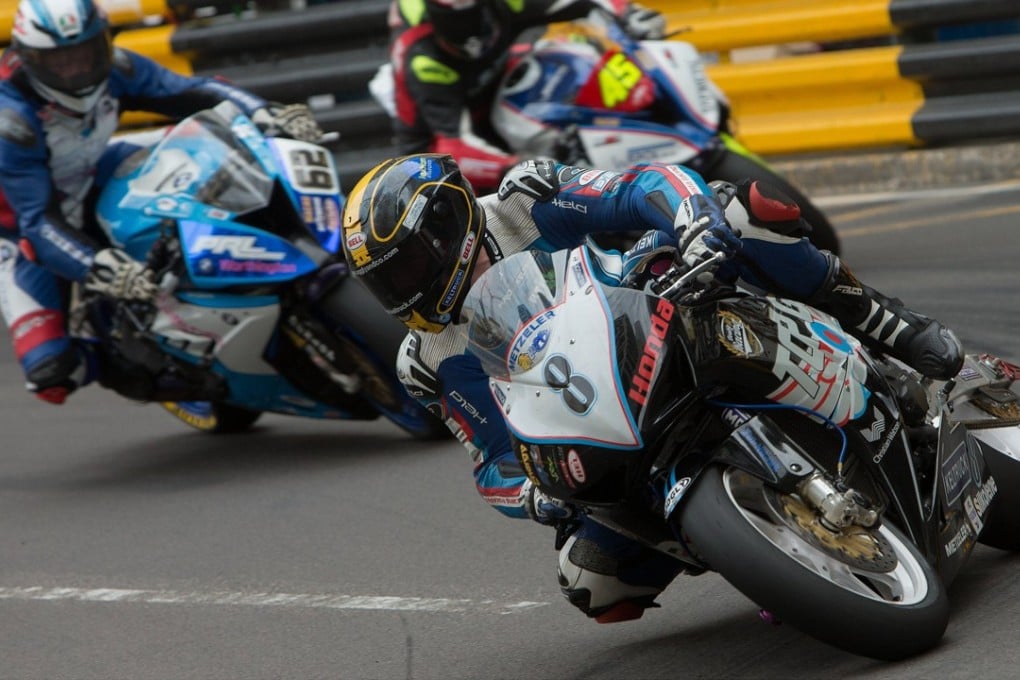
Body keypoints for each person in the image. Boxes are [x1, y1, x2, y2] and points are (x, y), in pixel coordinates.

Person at [340, 153, 964, 622]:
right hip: (602, 428)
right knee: (592, 582)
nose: (404, 293)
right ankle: (773, 548)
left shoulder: (525, 197)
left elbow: (641, 187)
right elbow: (491, 461)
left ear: (447, 227)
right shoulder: (424, 362)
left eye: (410, 268)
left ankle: (885, 323)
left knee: (742, 208)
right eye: (386, 284)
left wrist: (692, 221)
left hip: (661, 309)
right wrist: (533, 497)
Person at [0, 0, 323, 405]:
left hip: (97, 172)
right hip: (22, 233)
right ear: (29, 59)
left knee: (219, 146)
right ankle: (120, 356)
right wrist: (97, 267)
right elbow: (38, 222)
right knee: (51, 376)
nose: (76, 69)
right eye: (59, 60)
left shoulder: (117, 68)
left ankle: (275, 250)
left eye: (85, 52)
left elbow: (192, 91)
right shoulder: (10, 120)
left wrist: (266, 113)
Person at [383, 0, 666, 194]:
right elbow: (453, 148)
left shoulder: (510, 3)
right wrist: (518, 166)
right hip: (438, 149)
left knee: (562, 54)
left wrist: (628, 13)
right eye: (454, 23)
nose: (467, 31)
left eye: (473, 18)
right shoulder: (421, 58)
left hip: (495, 85)